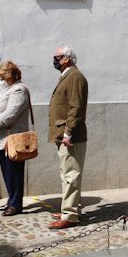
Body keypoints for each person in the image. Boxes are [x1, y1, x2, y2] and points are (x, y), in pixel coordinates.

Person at [0, 60, 31, 217]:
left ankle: (16, 205)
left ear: (11, 76)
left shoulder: (18, 90)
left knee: (14, 172)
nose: (0, 81)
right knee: (7, 172)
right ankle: (11, 200)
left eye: (2, 78)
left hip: (12, 138)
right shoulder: (5, 91)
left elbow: (10, 115)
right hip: (2, 138)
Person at [47, 46, 89, 228]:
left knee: (71, 174)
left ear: (68, 58)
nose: (55, 59)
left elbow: (75, 107)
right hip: (63, 133)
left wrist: (68, 132)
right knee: (66, 174)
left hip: (70, 135)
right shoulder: (67, 75)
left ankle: (70, 215)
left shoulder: (75, 76)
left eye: (59, 57)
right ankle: (69, 209)